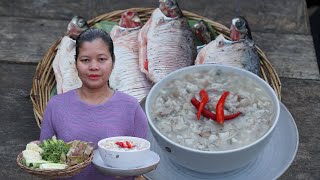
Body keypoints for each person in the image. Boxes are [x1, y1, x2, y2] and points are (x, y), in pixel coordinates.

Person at [40, 28, 149, 180]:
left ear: (113, 61)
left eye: (102, 59)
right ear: (76, 62)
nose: (94, 67)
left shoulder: (131, 107)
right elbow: (45, 161)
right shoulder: (56, 105)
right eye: (85, 60)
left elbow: (143, 161)